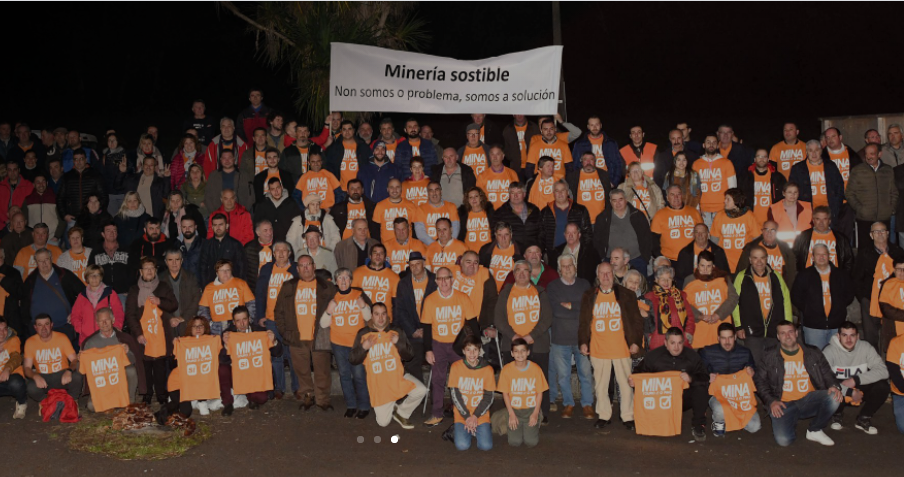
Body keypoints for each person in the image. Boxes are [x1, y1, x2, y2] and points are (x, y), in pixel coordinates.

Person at [755, 321, 843, 447]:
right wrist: (771, 401)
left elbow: (827, 373)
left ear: (796, 333)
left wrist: (834, 386)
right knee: (784, 441)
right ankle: (790, 418)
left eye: (790, 332)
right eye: (783, 333)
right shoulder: (769, 355)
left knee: (834, 396)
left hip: (809, 399)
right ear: (778, 337)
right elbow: (759, 381)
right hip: (783, 404)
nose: (787, 336)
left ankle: (815, 430)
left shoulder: (813, 352)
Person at [577, 261, 643, 428]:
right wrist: (584, 342)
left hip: (621, 348)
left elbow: (636, 321)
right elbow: (584, 322)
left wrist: (635, 342)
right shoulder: (589, 295)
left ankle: (628, 417)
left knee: (626, 385)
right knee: (601, 386)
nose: (605, 276)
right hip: (599, 348)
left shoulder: (627, 294)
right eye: (602, 273)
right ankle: (604, 415)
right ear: (597, 276)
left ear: (613, 274)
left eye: (608, 273)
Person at [349, 301, 427, 429]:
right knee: (383, 423)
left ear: (387, 315)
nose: (380, 318)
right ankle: (391, 405)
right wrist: (364, 347)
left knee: (422, 390)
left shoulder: (396, 330)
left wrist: (398, 342)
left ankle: (401, 412)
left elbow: (409, 355)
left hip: (397, 378)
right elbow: (353, 359)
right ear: (371, 316)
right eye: (377, 314)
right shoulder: (363, 333)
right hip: (380, 386)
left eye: (383, 314)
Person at [420, 266, 480, 426]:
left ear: (452, 280)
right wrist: (428, 349)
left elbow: (473, 323)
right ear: (436, 281)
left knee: (461, 380)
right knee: (438, 380)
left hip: (458, 344)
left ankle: (460, 412)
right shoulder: (430, 300)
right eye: (440, 278)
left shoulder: (463, 297)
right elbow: (426, 327)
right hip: (438, 344)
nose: (444, 281)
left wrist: (477, 347)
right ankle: (437, 413)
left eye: (447, 278)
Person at [275, 255, 336, 409]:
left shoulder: (326, 287)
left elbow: (338, 308)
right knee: (301, 370)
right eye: (302, 266)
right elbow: (279, 311)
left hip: (320, 336)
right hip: (296, 336)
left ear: (314, 266)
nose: (305, 268)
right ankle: (307, 396)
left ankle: (322, 399)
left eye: (308, 264)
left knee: (322, 370)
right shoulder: (288, 286)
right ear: (297, 269)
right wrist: (284, 332)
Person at [495, 260, 553, 421]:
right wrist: (513, 336)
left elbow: (547, 318)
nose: (521, 273)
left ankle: (541, 413)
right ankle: (513, 413)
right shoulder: (506, 293)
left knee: (540, 381)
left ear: (531, 274)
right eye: (518, 270)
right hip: (511, 344)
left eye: (525, 270)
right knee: (513, 382)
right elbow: (498, 318)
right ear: (513, 275)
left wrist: (530, 336)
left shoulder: (540, 292)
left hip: (538, 344)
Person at [630, 327, 710, 441]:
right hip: (661, 399)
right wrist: (633, 380)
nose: (676, 347)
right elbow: (638, 373)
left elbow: (705, 377)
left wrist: (691, 378)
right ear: (666, 343)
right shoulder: (654, 356)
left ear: (683, 342)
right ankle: (649, 420)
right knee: (641, 387)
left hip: (683, 399)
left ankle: (698, 425)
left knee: (701, 389)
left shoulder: (692, 356)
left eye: (679, 343)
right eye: (672, 343)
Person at [124, 256, 177, 405]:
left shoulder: (163, 287)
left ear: (155, 271)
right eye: (146, 268)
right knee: (145, 365)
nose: (149, 271)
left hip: (160, 333)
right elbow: (130, 314)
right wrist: (138, 333)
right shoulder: (134, 290)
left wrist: (160, 301)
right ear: (141, 271)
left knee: (160, 364)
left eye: (152, 268)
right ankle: (147, 393)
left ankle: (161, 393)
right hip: (143, 334)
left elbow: (173, 305)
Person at [321, 268, 373, 418]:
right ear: (336, 282)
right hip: (338, 343)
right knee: (344, 375)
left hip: (356, 344)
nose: (343, 281)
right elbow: (324, 324)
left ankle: (364, 406)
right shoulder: (333, 298)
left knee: (358, 375)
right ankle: (351, 405)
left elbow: (369, 317)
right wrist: (329, 311)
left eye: (346, 278)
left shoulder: (358, 295)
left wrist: (362, 305)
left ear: (350, 280)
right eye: (340, 278)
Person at [821, 322, 890, 434]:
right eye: (844, 335)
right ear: (838, 336)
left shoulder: (865, 347)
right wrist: (849, 391)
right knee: (830, 387)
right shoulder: (829, 351)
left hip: (859, 389)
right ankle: (836, 414)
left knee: (883, 386)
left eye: (852, 335)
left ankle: (863, 418)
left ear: (857, 336)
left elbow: (884, 371)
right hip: (840, 391)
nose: (849, 339)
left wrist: (855, 380)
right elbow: (824, 378)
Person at [733, 245, 793, 363]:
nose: (759, 261)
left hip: (774, 329)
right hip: (751, 330)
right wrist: (738, 326)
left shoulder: (776, 276)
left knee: (775, 362)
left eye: (762, 258)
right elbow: (735, 303)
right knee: (755, 363)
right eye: (755, 258)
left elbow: (786, 300)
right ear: (750, 260)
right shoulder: (742, 277)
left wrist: (788, 324)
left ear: (767, 258)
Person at [698, 323, 760, 436]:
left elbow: (754, 371)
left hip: (739, 395)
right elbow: (697, 372)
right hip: (717, 394)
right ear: (718, 338)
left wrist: (752, 371)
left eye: (730, 337)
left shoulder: (745, 352)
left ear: (735, 337)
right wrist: (708, 376)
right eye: (723, 338)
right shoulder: (707, 352)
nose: (727, 342)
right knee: (719, 408)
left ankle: (733, 418)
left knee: (754, 427)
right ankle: (720, 422)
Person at [219, 305, 282, 415]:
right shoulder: (228, 334)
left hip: (255, 374)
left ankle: (251, 397)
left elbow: (278, 353)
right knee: (222, 369)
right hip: (238, 373)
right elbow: (222, 360)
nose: (242, 324)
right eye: (238, 321)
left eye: (244, 319)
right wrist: (226, 345)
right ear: (233, 322)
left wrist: (274, 341)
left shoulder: (260, 332)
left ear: (249, 319)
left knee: (261, 398)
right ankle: (228, 404)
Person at [792, 244, 855, 350]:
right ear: (812, 257)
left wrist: (839, 307)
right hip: (813, 327)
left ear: (829, 256)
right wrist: (808, 309)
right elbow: (795, 296)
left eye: (824, 254)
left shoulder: (840, 274)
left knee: (836, 360)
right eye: (818, 254)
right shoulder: (804, 275)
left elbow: (849, 294)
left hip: (836, 326)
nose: (821, 257)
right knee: (816, 360)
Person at [853, 222, 904, 349]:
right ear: (871, 235)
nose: (880, 234)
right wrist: (863, 298)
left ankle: (892, 366)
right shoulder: (864, 253)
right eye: (876, 232)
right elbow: (856, 277)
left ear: (887, 233)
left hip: (893, 301)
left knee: (892, 336)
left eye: (882, 231)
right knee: (871, 337)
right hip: (870, 299)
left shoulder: (898, 252)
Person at [81, 307, 142, 410]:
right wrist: (81, 359)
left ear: (113, 320)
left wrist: (127, 352)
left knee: (131, 370)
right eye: (101, 321)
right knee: (92, 406)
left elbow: (134, 360)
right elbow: (84, 368)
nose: (104, 323)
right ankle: (110, 402)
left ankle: (129, 400)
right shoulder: (90, 342)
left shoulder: (123, 339)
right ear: (97, 323)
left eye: (107, 319)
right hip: (102, 384)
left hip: (118, 381)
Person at [22, 249, 84, 347]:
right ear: (36, 262)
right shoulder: (30, 280)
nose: (44, 263)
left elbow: (84, 293)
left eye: (46, 259)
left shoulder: (64, 275)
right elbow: (23, 304)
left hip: (63, 327)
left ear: (51, 259)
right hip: (39, 332)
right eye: (40, 261)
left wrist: (75, 312)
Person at [683, 251, 739, 350]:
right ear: (697, 265)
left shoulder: (723, 278)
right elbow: (684, 303)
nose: (705, 269)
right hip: (699, 334)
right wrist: (699, 315)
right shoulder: (689, 280)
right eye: (702, 265)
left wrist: (719, 314)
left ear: (713, 266)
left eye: (708, 266)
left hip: (721, 334)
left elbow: (733, 298)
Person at [23, 314, 83, 403]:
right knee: (31, 387)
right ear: (35, 327)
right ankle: (45, 402)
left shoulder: (62, 338)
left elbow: (75, 360)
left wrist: (69, 371)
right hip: (43, 377)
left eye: (46, 324)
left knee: (77, 376)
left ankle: (72, 401)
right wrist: (35, 376)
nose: (44, 328)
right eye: (40, 325)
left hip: (62, 375)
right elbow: (27, 368)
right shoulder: (30, 342)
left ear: (51, 325)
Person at [847, 143, 897, 248]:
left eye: (872, 154)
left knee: (884, 249)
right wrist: (860, 209)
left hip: (884, 217)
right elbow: (850, 193)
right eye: (866, 154)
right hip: (865, 219)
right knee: (865, 249)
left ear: (879, 154)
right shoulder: (857, 171)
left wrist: (890, 209)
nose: (868, 157)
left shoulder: (888, 170)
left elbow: (894, 192)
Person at [394, 251, 434, 378]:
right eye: (412, 265)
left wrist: (428, 330)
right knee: (411, 362)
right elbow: (400, 310)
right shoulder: (403, 283)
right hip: (413, 332)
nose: (415, 267)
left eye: (417, 264)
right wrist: (412, 331)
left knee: (438, 362)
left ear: (423, 264)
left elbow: (441, 307)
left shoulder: (435, 280)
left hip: (434, 331)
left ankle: (436, 396)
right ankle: (419, 395)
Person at [594, 189, 652, 274]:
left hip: (637, 260)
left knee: (639, 286)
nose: (618, 203)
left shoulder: (637, 215)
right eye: (614, 200)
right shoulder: (603, 218)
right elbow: (597, 240)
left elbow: (647, 237)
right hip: (612, 262)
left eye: (620, 199)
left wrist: (645, 258)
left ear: (626, 199)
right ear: (610, 202)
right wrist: (602, 258)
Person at [790, 139, 845, 223]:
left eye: (816, 150)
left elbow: (839, 186)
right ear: (806, 152)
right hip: (807, 212)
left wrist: (836, 205)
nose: (814, 153)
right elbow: (792, 190)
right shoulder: (797, 169)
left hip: (829, 211)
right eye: (810, 150)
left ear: (821, 151)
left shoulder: (830, 166)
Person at [70, 264, 124, 347]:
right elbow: (75, 316)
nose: (94, 278)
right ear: (87, 278)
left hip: (107, 338)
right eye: (91, 275)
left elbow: (118, 313)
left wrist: (116, 327)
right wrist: (81, 329)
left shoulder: (110, 293)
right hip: (87, 339)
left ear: (101, 277)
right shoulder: (81, 296)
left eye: (97, 275)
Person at [199, 259, 256, 335]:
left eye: (227, 270)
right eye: (221, 270)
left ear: (231, 271)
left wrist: (248, 321)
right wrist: (209, 324)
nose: (225, 273)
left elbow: (251, 304)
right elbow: (203, 309)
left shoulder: (241, 283)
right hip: (217, 328)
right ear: (217, 273)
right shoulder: (209, 288)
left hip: (237, 325)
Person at [650, 185, 704, 265]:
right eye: (672, 194)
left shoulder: (694, 212)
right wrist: (661, 258)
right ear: (667, 197)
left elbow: (703, 235)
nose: (676, 197)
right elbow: (653, 242)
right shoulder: (659, 215)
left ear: (682, 196)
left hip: (692, 258)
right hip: (669, 260)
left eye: (678, 194)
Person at [792, 205, 854, 274]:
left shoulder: (841, 239)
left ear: (829, 221)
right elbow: (794, 258)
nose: (821, 222)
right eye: (818, 219)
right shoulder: (803, 237)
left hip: (833, 279)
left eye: (824, 219)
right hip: (808, 279)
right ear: (813, 220)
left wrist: (842, 278)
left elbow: (849, 261)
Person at [56, 148, 107, 231]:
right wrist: (64, 215)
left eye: (81, 159)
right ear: (73, 161)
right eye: (76, 159)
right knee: (73, 243)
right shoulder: (67, 177)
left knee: (91, 243)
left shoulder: (95, 175)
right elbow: (60, 198)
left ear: (86, 160)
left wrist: (98, 213)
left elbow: (104, 196)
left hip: (91, 218)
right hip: (73, 219)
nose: (78, 162)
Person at [645, 266, 695, 349]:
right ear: (656, 280)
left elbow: (689, 317)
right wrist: (649, 337)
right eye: (663, 279)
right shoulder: (649, 298)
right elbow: (645, 321)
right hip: (658, 342)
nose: (666, 282)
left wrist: (688, 333)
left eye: (669, 278)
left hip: (679, 341)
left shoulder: (680, 295)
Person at [710, 188, 759, 273]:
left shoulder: (749, 216)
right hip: (724, 262)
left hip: (744, 261)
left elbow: (757, 239)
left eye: (728, 199)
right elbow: (714, 241)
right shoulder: (720, 216)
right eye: (725, 199)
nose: (724, 201)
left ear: (736, 200)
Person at [693, 135, 738, 227]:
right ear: (703, 145)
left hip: (722, 208)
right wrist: (697, 208)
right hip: (704, 209)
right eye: (708, 142)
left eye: (714, 142)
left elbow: (733, 188)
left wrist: (731, 207)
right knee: (707, 239)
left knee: (722, 238)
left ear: (718, 145)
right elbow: (694, 188)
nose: (711, 145)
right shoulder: (696, 164)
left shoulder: (727, 163)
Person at [736, 220, 798, 286]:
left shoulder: (785, 250)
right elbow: (741, 270)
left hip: (778, 289)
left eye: (773, 230)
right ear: (762, 231)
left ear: (777, 232)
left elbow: (791, 273)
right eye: (766, 229)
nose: (769, 233)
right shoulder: (750, 248)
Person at [538, 180, 592, 254]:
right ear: (553, 193)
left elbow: (587, 233)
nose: (560, 193)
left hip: (575, 253)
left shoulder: (580, 210)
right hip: (553, 253)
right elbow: (541, 235)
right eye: (557, 191)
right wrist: (542, 252)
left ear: (568, 192)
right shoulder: (545, 212)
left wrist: (584, 251)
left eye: (563, 190)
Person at [571, 115, 624, 185]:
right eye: (592, 125)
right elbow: (575, 165)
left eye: (597, 124)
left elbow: (618, 164)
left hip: (606, 180)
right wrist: (579, 181)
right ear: (588, 127)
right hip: (587, 181)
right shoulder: (579, 144)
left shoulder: (611, 143)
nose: (595, 127)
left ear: (601, 125)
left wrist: (613, 182)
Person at [741, 149, 786, 227]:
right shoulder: (746, 177)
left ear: (768, 159)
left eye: (764, 157)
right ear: (754, 159)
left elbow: (785, 198)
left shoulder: (777, 177)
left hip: (773, 221)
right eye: (759, 156)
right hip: (751, 221)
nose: (761, 159)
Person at [565, 151, 612, 226]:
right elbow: (568, 198)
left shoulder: (603, 175)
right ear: (581, 162)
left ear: (595, 161)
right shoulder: (572, 177)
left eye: (591, 159)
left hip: (601, 220)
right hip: (582, 221)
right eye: (585, 159)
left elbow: (609, 196)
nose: (588, 162)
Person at [162, 249, 201, 337]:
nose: (174, 263)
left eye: (177, 259)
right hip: (167, 324)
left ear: (182, 260)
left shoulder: (191, 277)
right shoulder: (160, 279)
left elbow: (196, 299)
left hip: (187, 321)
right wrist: (170, 318)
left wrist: (182, 318)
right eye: (170, 260)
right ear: (166, 262)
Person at [324, 119, 371, 192]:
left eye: (349, 129)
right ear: (341, 132)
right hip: (341, 189)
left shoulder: (362, 146)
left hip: (358, 189)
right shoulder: (334, 147)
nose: (347, 132)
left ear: (353, 131)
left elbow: (369, 165)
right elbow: (328, 166)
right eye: (344, 129)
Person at [494, 182, 541, 249]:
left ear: (524, 194)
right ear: (509, 195)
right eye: (513, 193)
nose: (515, 196)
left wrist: (539, 247)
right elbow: (495, 234)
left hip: (532, 251)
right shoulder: (500, 212)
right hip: (512, 251)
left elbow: (542, 231)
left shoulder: (534, 210)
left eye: (519, 193)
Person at [478, 222, 523, 291]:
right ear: (496, 235)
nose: (503, 238)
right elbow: (479, 272)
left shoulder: (521, 250)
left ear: (511, 235)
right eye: (500, 235)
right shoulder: (485, 250)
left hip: (512, 293)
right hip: (491, 292)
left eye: (506, 235)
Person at [255, 178, 302, 243]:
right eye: (273, 189)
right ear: (269, 191)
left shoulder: (292, 204)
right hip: (268, 243)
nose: (276, 191)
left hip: (287, 243)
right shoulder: (262, 205)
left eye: (278, 188)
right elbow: (256, 225)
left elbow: (298, 225)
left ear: (281, 187)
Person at [414, 181, 460, 246]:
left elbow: (455, 227)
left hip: (449, 247)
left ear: (441, 191)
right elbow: (420, 232)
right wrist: (436, 245)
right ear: (428, 193)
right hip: (429, 248)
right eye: (431, 190)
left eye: (436, 190)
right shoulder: (421, 209)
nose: (434, 193)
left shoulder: (451, 207)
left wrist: (449, 244)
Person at [476, 145, 519, 210]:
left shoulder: (512, 174)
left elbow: (518, 196)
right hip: (490, 214)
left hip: (508, 213)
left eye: (498, 154)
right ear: (489, 157)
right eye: (492, 154)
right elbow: (479, 199)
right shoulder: (482, 176)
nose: (495, 157)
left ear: (503, 156)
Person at [0, 317, 28, 418]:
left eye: (4, 329)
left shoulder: (13, 339)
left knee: (16, 383)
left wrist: (7, 369)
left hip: (12, 376)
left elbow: (16, 357)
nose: (2, 333)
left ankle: (21, 403)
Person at [25, 174, 62, 243]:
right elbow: (24, 220)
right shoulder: (28, 200)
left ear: (47, 183)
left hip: (52, 238)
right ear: (33, 184)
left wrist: (57, 236)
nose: (41, 184)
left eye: (43, 182)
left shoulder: (55, 198)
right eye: (38, 182)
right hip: (34, 240)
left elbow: (61, 219)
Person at [459, 187, 494, 253]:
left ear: (480, 198)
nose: (474, 199)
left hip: (488, 252)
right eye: (471, 197)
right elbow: (461, 234)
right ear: (468, 200)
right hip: (470, 252)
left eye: (476, 196)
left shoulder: (489, 212)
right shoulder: (463, 215)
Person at [0, 161, 34, 229]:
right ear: (6, 171)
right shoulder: (1, 186)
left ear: (19, 170)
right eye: (9, 170)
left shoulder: (28, 186)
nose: (12, 172)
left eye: (15, 169)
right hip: (3, 224)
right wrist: (6, 220)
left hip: (22, 225)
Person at [178, 216, 205, 283]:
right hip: (182, 287)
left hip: (200, 286)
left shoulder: (205, 244)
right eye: (184, 227)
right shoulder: (176, 245)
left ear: (195, 227)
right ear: (180, 227)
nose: (187, 229)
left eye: (190, 226)